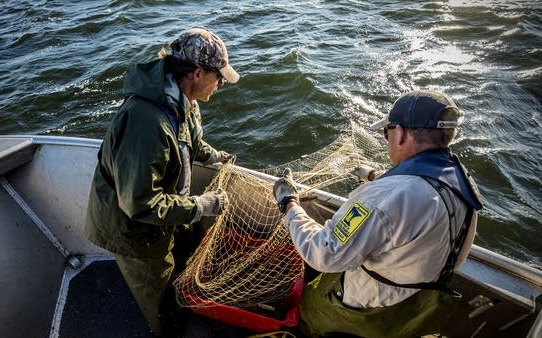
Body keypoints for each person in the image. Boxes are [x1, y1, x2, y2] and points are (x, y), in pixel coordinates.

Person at [273, 89, 483, 337]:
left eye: (387, 132)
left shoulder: (381, 198)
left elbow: (324, 254)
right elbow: (422, 190)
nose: (387, 140)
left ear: (402, 133)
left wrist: (288, 203)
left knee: (311, 315)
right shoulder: (462, 182)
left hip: (363, 314)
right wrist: (375, 175)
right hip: (414, 311)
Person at [85, 27, 239, 336]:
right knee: (160, 299)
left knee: (179, 260)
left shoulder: (182, 96)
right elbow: (140, 204)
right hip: (135, 233)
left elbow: (188, 139)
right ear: (197, 73)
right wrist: (202, 205)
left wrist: (210, 156)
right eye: (218, 77)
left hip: (162, 216)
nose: (221, 83)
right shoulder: (146, 124)